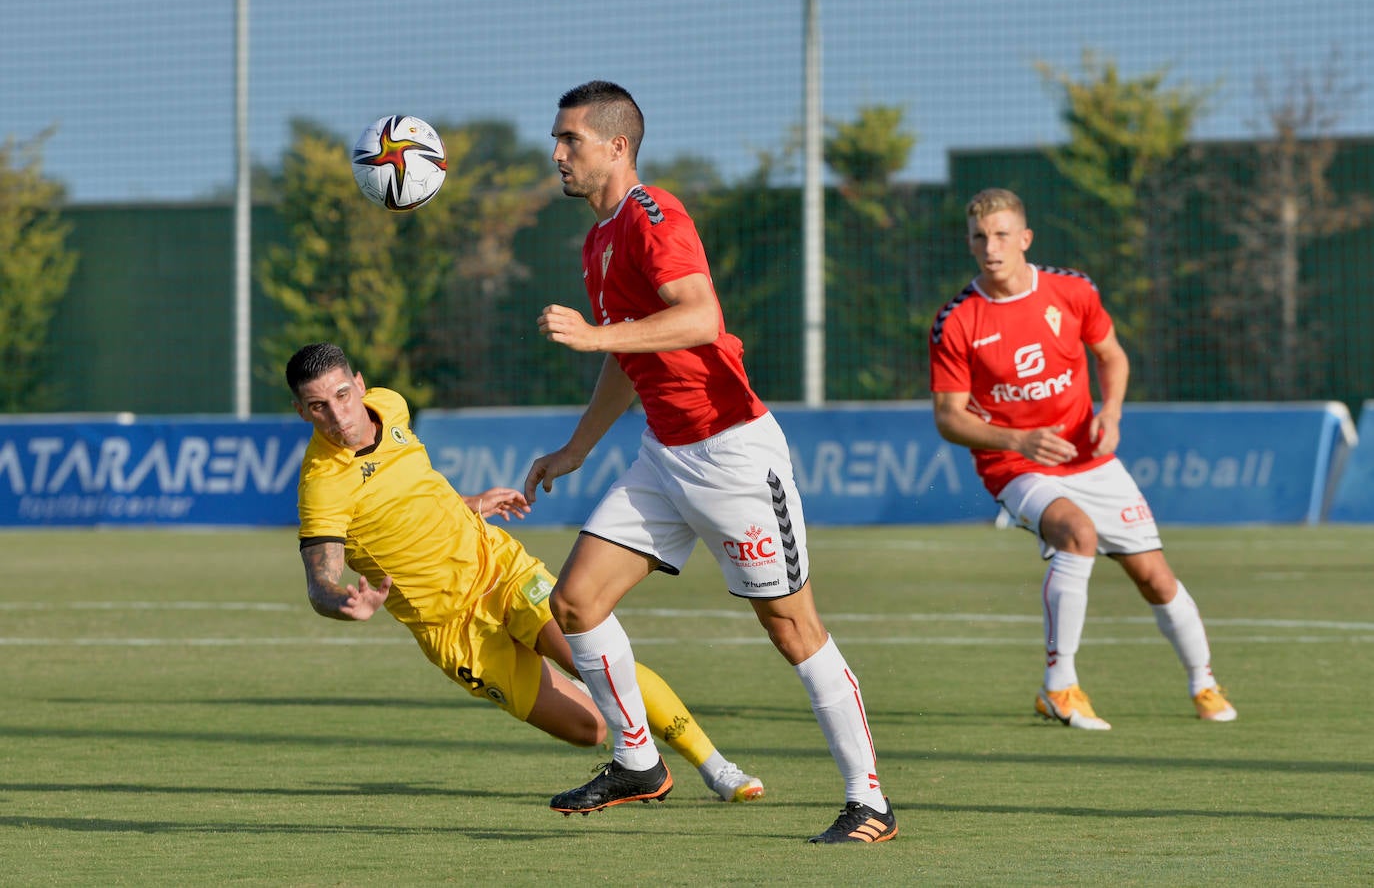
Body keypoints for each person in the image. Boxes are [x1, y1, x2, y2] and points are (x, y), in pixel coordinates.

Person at [523, 80, 895, 845]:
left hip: (730, 453)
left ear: (616, 145)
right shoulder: (597, 239)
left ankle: (871, 801)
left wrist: (595, 336)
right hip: (664, 454)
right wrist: (578, 448)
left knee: (793, 628)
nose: (557, 153)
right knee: (575, 604)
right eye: (556, 140)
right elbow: (633, 356)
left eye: (571, 140)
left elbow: (699, 317)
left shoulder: (653, 214)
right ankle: (636, 761)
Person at [285, 341, 765, 803]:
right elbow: (319, 584)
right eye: (318, 406)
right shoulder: (321, 485)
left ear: (361, 385)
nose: (337, 415)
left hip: (500, 570)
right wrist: (344, 602)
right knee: (590, 728)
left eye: (342, 395)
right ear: (302, 412)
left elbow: (412, 488)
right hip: (452, 629)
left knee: (591, 657)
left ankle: (718, 768)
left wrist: (468, 504)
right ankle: (608, 713)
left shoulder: (392, 407)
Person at [928, 187, 1238, 730]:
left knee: (1156, 579)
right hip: (1014, 466)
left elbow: (1112, 356)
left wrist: (1112, 413)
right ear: (970, 243)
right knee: (1077, 533)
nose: (990, 247)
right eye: (980, 237)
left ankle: (1204, 684)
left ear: (1025, 238)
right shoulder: (957, 321)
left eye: (1002, 235)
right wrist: (1018, 441)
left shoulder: (1072, 291)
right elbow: (949, 418)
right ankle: (1060, 687)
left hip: (1090, 457)